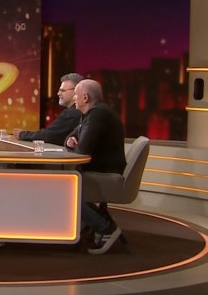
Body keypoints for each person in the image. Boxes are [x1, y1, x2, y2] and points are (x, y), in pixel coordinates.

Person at [64, 79, 127, 255]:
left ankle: (105, 228)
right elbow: (70, 137)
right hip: (99, 169)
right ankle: (100, 223)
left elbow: (82, 151)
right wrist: (70, 141)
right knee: (65, 183)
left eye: (75, 95)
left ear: (85, 97)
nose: (73, 98)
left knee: (64, 187)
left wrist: (74, 144)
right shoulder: (90, 114)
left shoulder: (98, 115)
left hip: (106, 173)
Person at [15, 72, 83, 145]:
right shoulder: (76, 111)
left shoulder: (73, 113)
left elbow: (48, 135)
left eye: (62, 90)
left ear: (76, 91)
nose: (58, 93)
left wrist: (22, 134)